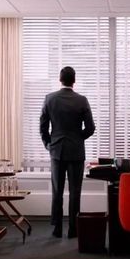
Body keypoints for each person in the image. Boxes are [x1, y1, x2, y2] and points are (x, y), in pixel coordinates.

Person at [39, 66, 95, 238]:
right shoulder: (82, 100)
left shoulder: (50, 99)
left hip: (56, 151)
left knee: (57, 191)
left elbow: (43, 126)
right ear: (74, 80)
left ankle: (57, 229)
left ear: (60, 79)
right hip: (76, 152)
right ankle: (73, 229)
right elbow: (91, 128)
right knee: (75, 191)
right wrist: (78, 139)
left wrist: (49, 144)